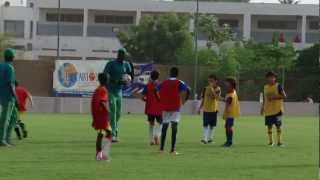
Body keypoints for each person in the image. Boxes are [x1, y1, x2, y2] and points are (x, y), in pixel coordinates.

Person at [158, 67, 190, 154]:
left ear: (170, 73)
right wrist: (184, 100)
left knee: (164, 126)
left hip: (165, 107)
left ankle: (161, 149)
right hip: (175, 107)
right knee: (174, 126)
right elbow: (188, 89)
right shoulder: (179, 82)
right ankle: (172, 150)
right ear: (177, 74)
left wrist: (161, 99)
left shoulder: (164, 82)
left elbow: (157, 90)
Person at [103, 48, 132, 143]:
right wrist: (116, 81)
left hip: (119, 92)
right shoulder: (111, 64)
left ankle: (109, 127)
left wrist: (127, 81)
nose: (123, 56)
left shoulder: (126, 64)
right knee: (113, 112)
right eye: (121, 54)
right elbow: (105, 76)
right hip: (110, 90)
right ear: (118, 54)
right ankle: (113, 135)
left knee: (118, 114)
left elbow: (130, 75)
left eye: (124, 54)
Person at [260, 71, 286, 147]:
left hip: (278, 110)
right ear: (266, 79)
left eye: (272, 77)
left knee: (278, 125)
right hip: (268, 110)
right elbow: (265, 98)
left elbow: (284, 96)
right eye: (269, 77)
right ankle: (271, 142)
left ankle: (279, 142)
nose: (271, 79)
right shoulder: (265, 87)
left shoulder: (279, 86)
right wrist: (262, 108)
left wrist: (274, 97)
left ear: (275, 78)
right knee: (269, 126)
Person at [91, 73, 112, 161]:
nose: (109, 80)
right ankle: (100, 155)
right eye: (108, 79)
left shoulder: (98, 89)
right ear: (106, 80)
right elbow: (103, 102)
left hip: (97, 115)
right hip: (101, 115)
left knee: (105, 133)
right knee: (104, 134)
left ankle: (101, 154)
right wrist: (109, 111)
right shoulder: (103, 90)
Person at [0, 48, 18, 147]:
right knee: (5, 119)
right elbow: (10, 84)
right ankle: (2, 140)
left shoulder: (1, 65)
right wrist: (16, 98)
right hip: (8, 96)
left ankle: (7, 138)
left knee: (14, 117)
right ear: (12, 57)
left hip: (2, 94)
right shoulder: (10, 67)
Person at [141, 70, 162, 145]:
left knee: (151, 123)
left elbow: (143, 97)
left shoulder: (147, 85)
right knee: (160, 122)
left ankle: (151, 140)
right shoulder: (160, 85)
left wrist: (147, 100)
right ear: (158, 77)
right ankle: (157, 134)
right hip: (159, 107)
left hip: (150, 108)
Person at [198, 74, 221, 144]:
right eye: (209, 81)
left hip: (214, 109)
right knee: (205, 125)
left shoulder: (218, 89)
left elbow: (216, 97)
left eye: (212, 81)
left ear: (216, 81)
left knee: (212, 125)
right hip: (206, 109)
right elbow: (203, 98)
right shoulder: (205, 88)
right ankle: (205, 139)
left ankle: (210, 138)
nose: (210, 82)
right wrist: (199, 108)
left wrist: (211, 89)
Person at [222, 78, 240, 147]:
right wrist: (221, 98)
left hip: (230, 113)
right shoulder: (232, 92)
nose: (226, 85)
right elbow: (227, 100)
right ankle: (228, 141)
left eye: (227, 84)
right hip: (231, 113)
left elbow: (227, 104)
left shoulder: (231, 94)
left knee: (228, 127)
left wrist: (224, 114)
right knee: (227, 126)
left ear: (232, 85)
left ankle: (229, 141)